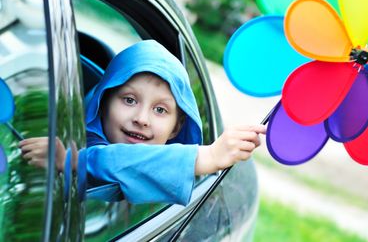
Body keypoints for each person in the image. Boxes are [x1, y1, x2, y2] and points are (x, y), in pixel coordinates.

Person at [18, 40, 266, 205]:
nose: (141, 119)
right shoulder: (79, 139)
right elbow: (106, 159)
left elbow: (128, 163)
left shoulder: (158, 167)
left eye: (160, 109)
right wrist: (208, 157)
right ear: (103, 102)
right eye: (128, 100)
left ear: (176, 128)